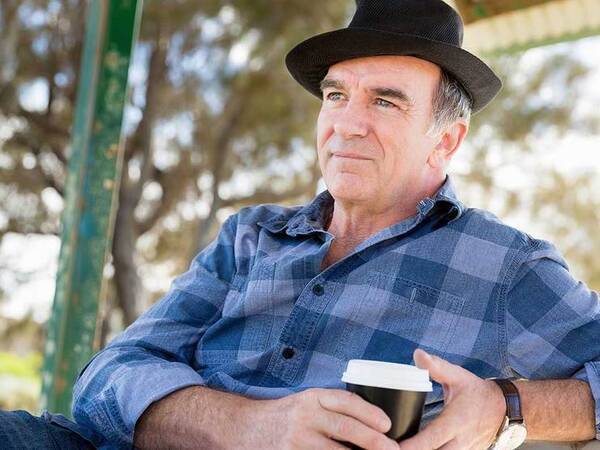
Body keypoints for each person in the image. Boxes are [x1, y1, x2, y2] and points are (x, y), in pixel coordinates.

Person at [2, 0, 598, 449]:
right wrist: (253, 426)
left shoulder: (504, 266)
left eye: (385, 101)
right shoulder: (249, 237)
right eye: (337, 95)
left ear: (445, 140)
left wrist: (506, 407)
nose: (347, 124)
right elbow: (106, 378)